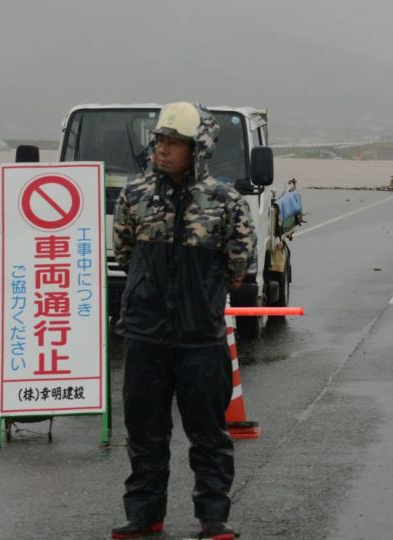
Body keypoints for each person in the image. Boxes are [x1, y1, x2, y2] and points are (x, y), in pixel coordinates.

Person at [110, 102, 255, 540]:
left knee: (208, 435)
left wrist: (201, 299)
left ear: (199, 149)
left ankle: (213, 518)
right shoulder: (133, 196)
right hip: (145, 336)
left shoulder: (225, 200)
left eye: (174, 142)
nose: (163, 149)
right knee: (144, 433)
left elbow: (238, 264)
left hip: (200, 340)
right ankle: (144, 515)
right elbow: (125, 253)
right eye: (159, 140)